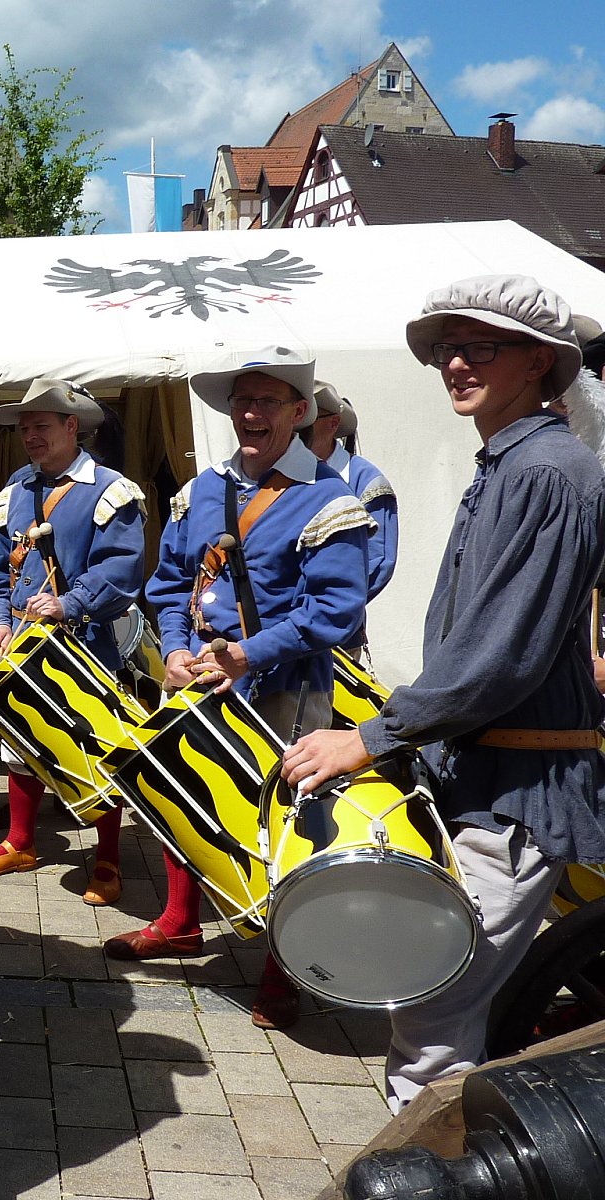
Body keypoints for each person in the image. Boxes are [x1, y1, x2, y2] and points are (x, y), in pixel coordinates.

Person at [283, 276, 605, 1111]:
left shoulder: (546, 472)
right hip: (484, 779)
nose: (456, 363)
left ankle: (425, 1165)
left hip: (519, 793)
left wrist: (371, 737)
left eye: (480, 346)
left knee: (430, 1015)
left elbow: (501, 656)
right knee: (448, 1010)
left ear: (539, 361)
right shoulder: (510, 464)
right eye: (448, 349)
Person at [106, 346, 371, 1033]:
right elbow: (169, 583)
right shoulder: (201, 491)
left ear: (299, 411)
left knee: (283, 820)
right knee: (185, 794)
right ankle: (180, 922)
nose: (251, 413)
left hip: (285, 688)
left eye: (267, 401)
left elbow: (336, 611)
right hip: (199, 678)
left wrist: (249, 655)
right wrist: (173, 647)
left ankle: (286, 969)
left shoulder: (332, 500)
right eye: (242, 401)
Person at [0, 379, 146, 898]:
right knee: (19, 743)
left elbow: (122, 569)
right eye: (24, 428)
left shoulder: (110, 490)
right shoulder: (15, 490)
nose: (30, 436)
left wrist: (70, 602)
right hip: (22, 643)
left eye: (41, 426)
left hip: (86, 643)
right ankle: (21, 841)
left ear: (72, 426)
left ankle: (108, 859)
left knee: (96, 749)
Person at [307, 382, 398, 620]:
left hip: (333, 624)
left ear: (333, 423)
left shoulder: (367, 481)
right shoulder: (280, 475)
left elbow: (378, 561)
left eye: (309, 419)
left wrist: (327, 610)